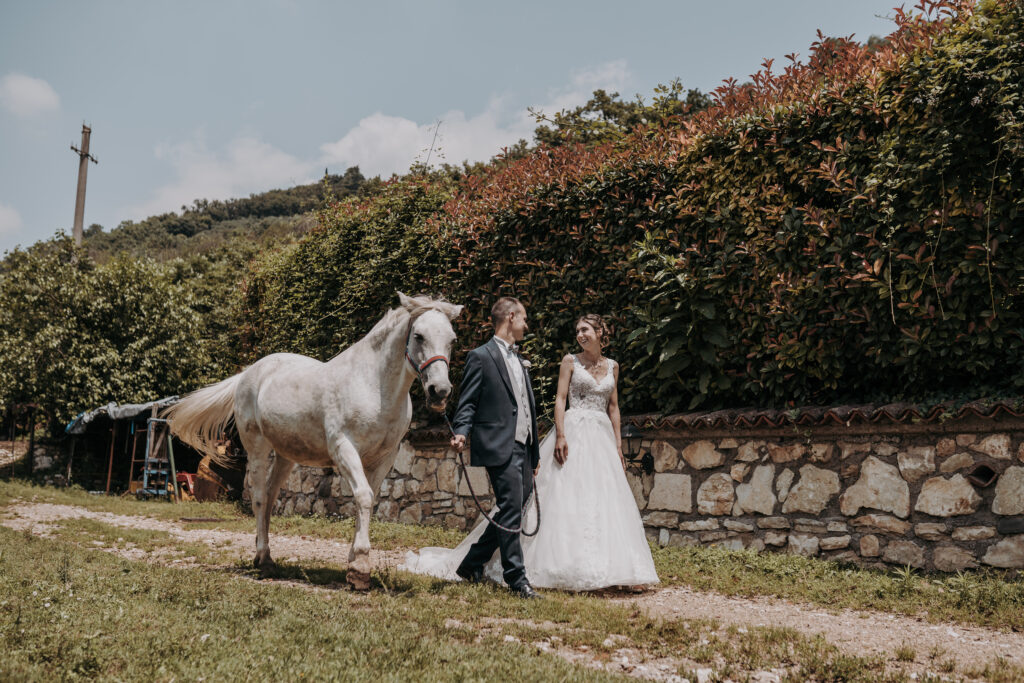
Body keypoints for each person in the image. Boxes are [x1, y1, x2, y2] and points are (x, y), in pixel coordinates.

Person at [402, 312, 659, 592]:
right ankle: (526, 569)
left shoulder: (613, 366)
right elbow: (560, 400)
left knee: (604, 499)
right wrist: (560, 435)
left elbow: (613, 407)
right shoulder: (570, 361)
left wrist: (619, 446)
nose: (580, 335)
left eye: (585, 329)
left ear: (600, 332)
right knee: (542, 500)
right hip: (573, 432)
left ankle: (615, 568)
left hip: (602, 438)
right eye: (577, 330)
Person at [445, 296, 542, 599]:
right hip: (498, 444)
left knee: (513, 507)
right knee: (511, 507)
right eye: (524, 318)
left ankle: (472, 563)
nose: (526, 324)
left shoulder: (519, 358)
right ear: (511, 317)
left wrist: (533, 448)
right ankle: (517, 580)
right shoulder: (480, 356)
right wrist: (461, 432)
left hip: (523, 445)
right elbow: (468, 401)